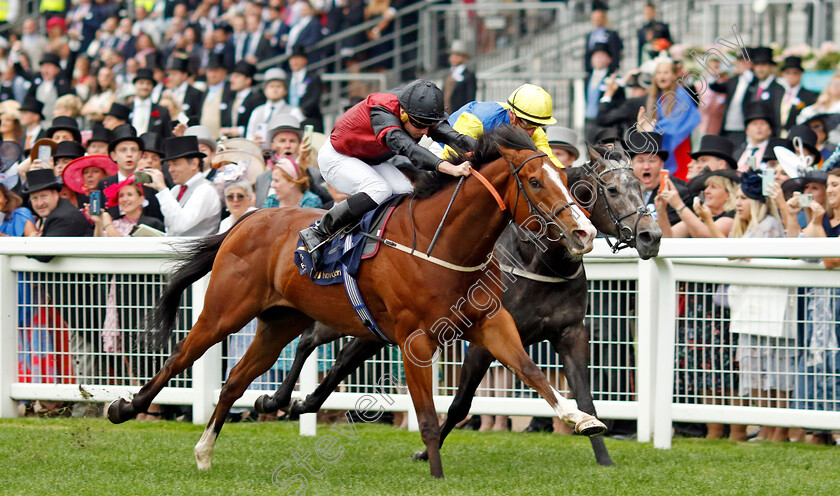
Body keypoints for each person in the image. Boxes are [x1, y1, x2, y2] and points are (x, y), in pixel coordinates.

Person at [300, 79, 474, 268]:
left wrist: (487, 149)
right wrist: (450, 167)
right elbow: (408, 148)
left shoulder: (415, 111)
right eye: (419, 125)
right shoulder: (381, 109)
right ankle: (319, 231)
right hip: (336, 157)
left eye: (429, 125)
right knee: (379, 189)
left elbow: (451, 135)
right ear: (402, 113)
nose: (425, 132)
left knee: (404, 191)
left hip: (366, 159)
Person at [722, 169, 793, 442]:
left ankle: (777, 431)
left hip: (771, 310)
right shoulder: (751, 227)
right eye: (737, 197)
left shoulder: (769, 225)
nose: (738, 203)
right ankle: (767, 429)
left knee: (775, 372)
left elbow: (736, 255)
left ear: (757, 201)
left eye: (743, 197)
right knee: (759, 373)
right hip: (753, 310)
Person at [793, 168, 840, 445]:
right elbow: (793, 251)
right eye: (830, 185)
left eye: (836, 185)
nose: (831, 190)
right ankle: (818, 429)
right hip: (819, 310)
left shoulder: (821, 223)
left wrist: (817, 223)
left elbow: (833, 260)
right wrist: (790, 215)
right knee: (817, 365)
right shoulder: (821, 221)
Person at [442, 83, 561, 167]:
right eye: (526, 123)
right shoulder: (477, 119)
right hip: (443, 148)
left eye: (538, 125)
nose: (531, 132)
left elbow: (549, 162)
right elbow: (450, 159)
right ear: (512, 115)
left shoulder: (533, 129)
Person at [144, 135, 222, 236]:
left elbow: (180, 225)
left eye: (175, 164)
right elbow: (171, 228)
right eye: (169, 164)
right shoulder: (176, 190)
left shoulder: (205, 190)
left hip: (199, 251)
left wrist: (162, 189)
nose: (170, 170)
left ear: (194, 163)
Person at [657, 168, 737, 239]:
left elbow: (705, 235)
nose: (706, 191)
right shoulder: (700, 217)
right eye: (707, 187)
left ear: (729, 194)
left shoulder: (731, 218)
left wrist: (678, 204)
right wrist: (661, 210)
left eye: (713, 187)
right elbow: (668, 237)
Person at [245, 68, 297, 143]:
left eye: (279, 86)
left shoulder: (293, 112)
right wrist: (253, 142)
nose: (275, 90)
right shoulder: (257, 112)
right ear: (265, 90)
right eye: (271, 86)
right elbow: (249, 136)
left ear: (285, 91)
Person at [286, 46, 323, 132]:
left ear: (305, 60)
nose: (294, 62)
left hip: (309, 118)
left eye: (297, 58)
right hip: (290, 117)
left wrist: (301, 110)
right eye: (292, 59)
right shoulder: (288, 78)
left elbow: (315, 97)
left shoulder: (313, 77)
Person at [779, 56, 819, 133]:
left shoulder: (810, 96)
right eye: (788, 73)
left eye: (795, 73)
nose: (791, 76)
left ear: (801, 74)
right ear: (783, 74)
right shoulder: (777, 92)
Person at [735, 102, 775, 171]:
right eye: (754, 124)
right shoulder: (737, 151)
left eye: (762, 124)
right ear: (747, 131)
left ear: (769, 130)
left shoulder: (773, 152)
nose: (759, 127)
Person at [583, 2, 622, 74]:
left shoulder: (611, 34)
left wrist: (611, 69)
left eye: (599, 18)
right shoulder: (589, 35)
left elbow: (615, 53)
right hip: (593, 71)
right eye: (595, 18)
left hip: (607, 71)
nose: (597, 21)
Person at [442, 40, 476, 115]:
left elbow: (470, 98)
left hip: (459, 114)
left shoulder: (468, 75)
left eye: (457, 56)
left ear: (464, 58)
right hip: (445, 114)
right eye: (452, 55)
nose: (453, 58)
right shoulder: (448, 74)